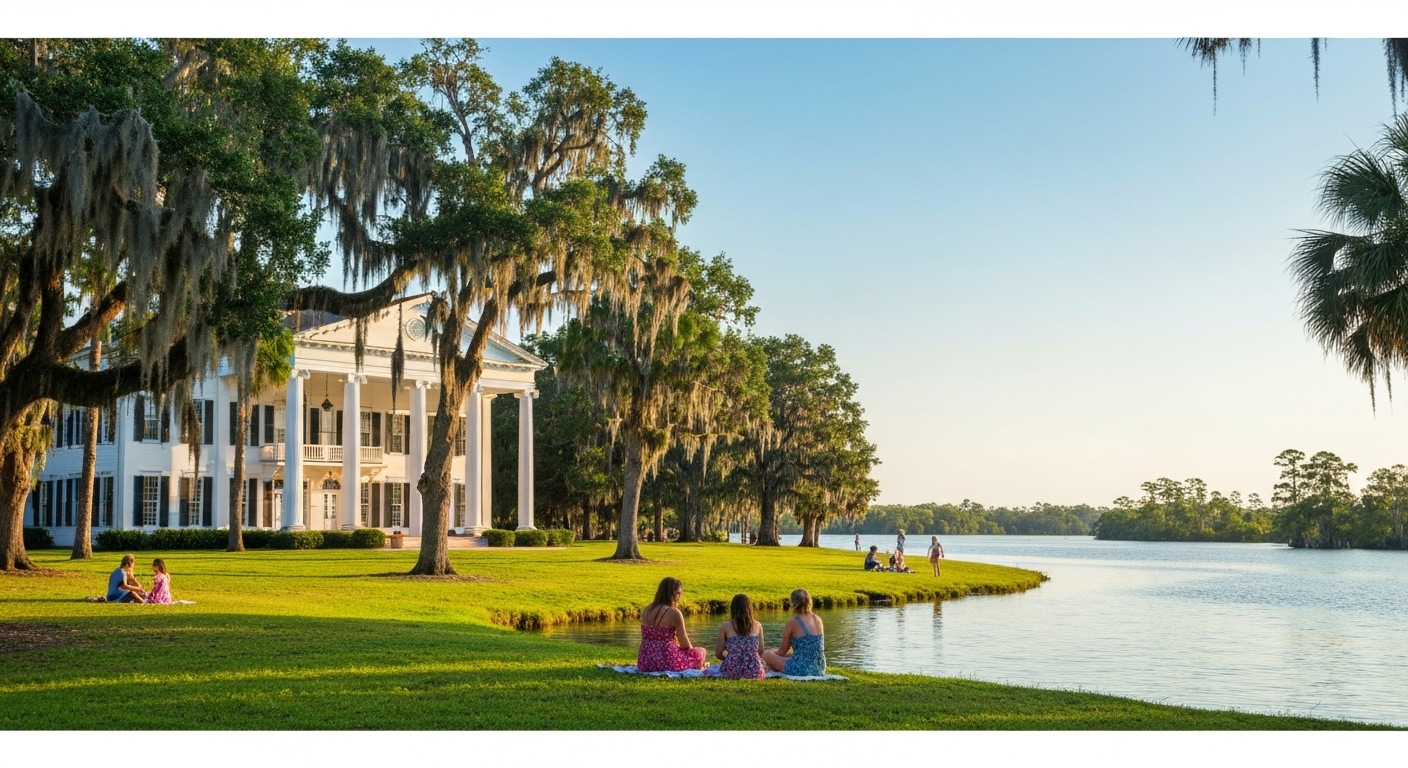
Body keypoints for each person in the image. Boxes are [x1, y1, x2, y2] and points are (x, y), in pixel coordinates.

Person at [637, 577, 708, 672]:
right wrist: (693, 653)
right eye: (679, 593)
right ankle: (699, 664)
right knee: (700, 652)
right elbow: (685, 645)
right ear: (674, 594)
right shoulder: (674, 613)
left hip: (645, 661)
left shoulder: (646, 610)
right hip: (666, 659)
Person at [762, 589, 826, 676]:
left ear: (794, 603)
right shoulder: (818, 619)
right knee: (790, 655)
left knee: (766, 654)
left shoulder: (792, 622)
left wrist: (772, 652)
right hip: (819, 667)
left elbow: (782, 651)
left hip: (802, 669)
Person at [715, 593, 765, 679]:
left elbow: (718, 653)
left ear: (733, 609)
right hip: (754, 670)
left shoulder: (726, 626)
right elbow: (760, 651)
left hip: (732, 671)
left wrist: (732, 658)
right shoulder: (758, 625)